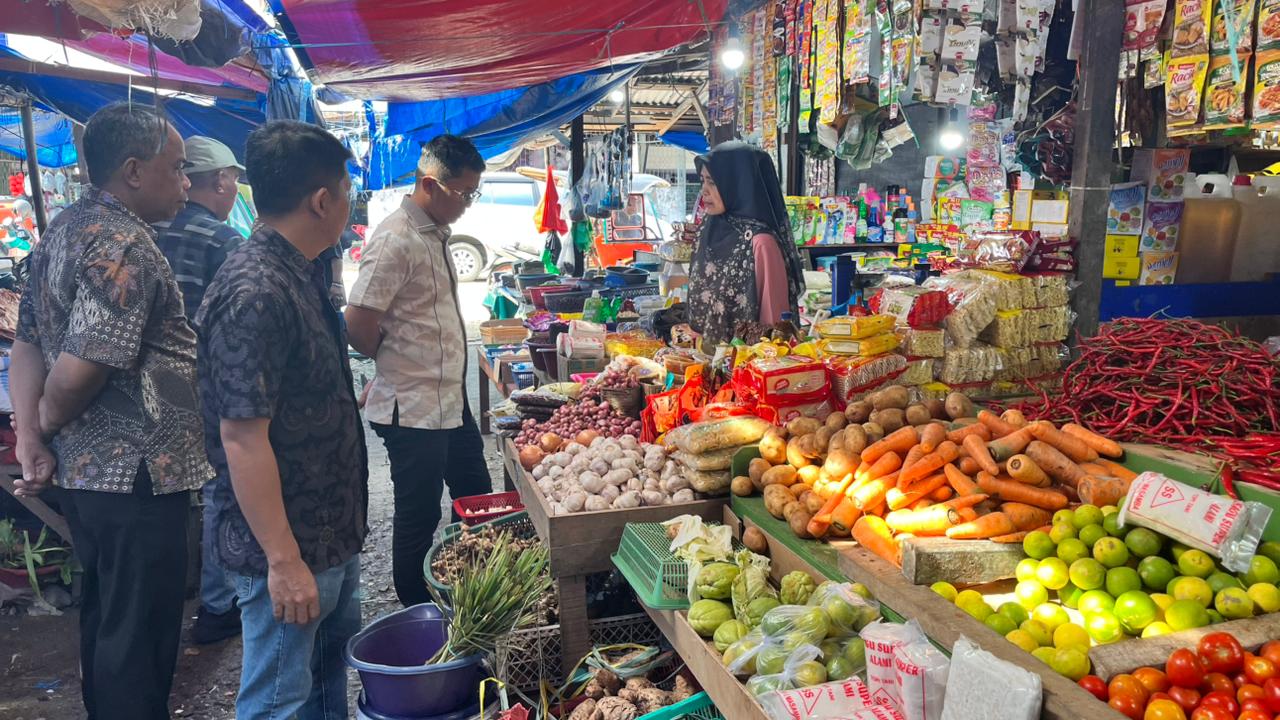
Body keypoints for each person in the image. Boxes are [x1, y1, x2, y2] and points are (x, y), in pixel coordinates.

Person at [10, 102, 211, 720]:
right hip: (136, 475)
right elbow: (80, 367)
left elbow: (27, 343)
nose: (186, 183)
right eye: (177, 168)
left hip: (95, 476)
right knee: (138, 634)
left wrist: (31, 439)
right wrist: (42, 428)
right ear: (133, 171)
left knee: (110, 620)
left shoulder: (64, 229)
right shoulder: (122, 245)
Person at [195, 120, 367, 720]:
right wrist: (284, 561)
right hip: (290, 542)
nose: (348, 204)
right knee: (278, 701)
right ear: (322, 200)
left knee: (323, 683)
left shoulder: (299, 269)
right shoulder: (256, 289)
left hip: (329, 530)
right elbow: (242, 439)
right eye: (346, 191)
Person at [345, 134, 492, 607]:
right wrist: (392, 362)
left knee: (477, 495)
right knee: (419, 513)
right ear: (430, 185)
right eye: (464, 194)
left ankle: (471, 592)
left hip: (449, 400)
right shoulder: (396, 238)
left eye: (473, 194)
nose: (468, 204)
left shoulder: (434, 231)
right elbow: (358, 322)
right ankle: (418, 610)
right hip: (412, 410)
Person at [152, 135, 247, 645]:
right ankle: (217, 605)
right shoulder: (223, 240)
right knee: (220, 489)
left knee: (166, 491)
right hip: (202, 382)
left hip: (144, 391)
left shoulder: (146, 229)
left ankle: (171, 602)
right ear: (222, 182)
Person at [687, 141, 805, 346]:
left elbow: (775, 329)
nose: (704, 191)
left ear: (739, 184)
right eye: (703, 181)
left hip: (745, 360)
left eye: (712, 182)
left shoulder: (761, 243)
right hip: (702, 355)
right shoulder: (710, 229)